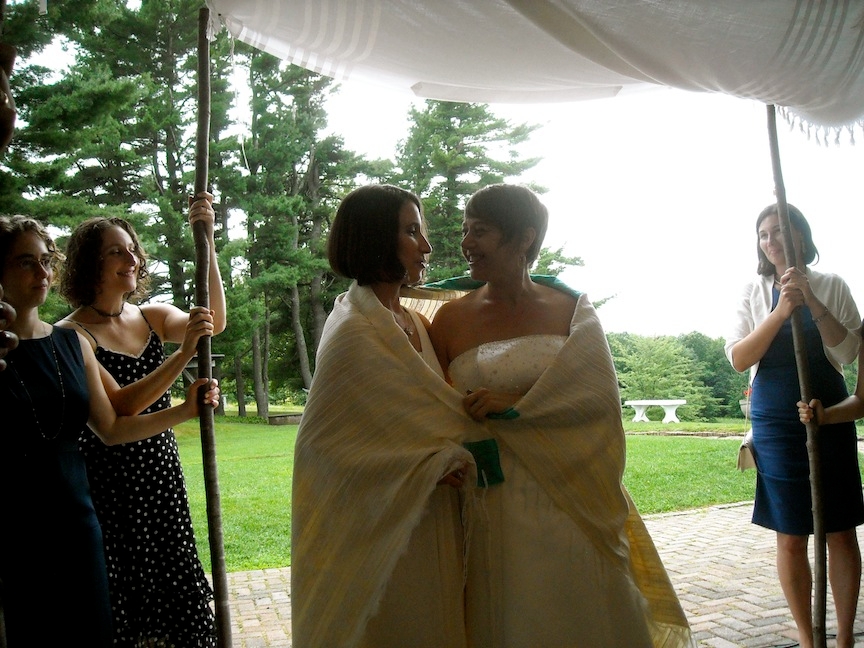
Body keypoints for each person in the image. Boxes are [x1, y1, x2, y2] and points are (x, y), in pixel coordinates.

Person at [428, 183, 692, 647]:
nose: (466, 243)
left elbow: (596, 398)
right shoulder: (449, 321)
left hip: (570, 485)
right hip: (493, 493)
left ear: (524, 238)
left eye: (481, 231)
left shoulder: (571, 311)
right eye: (466, 230)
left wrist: (515, 403)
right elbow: (434, 406)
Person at [0, 215, 219, 646]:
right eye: (27, 262)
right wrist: (182, 363)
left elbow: (113, 425)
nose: (42, 272)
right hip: (45, 509)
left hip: (87, 510)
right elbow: (119, 414)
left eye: (46, 261)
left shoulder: (68, 343)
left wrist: (206, 239)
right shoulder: (75, 332)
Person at [291, 184, 475, 648]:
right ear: (375, 239)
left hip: (437, 518)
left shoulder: (415, 321)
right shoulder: (353, 329)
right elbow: (323, 449)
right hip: (384, 528)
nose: (427, 246)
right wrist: (424, 468)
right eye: (412, 232)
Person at [724, 203, 863, 648]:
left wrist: (811, 300)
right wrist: (781, 310)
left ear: (800, 235)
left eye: (780, 231)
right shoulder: (752, 290)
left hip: (829, 416)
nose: (771, 241)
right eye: (763, 234)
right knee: (790, 532)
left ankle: (843, 639)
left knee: (840, 529)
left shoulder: (832, 285)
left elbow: (845, 356)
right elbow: (740, 358)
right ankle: (808, 639)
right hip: (775, 421)